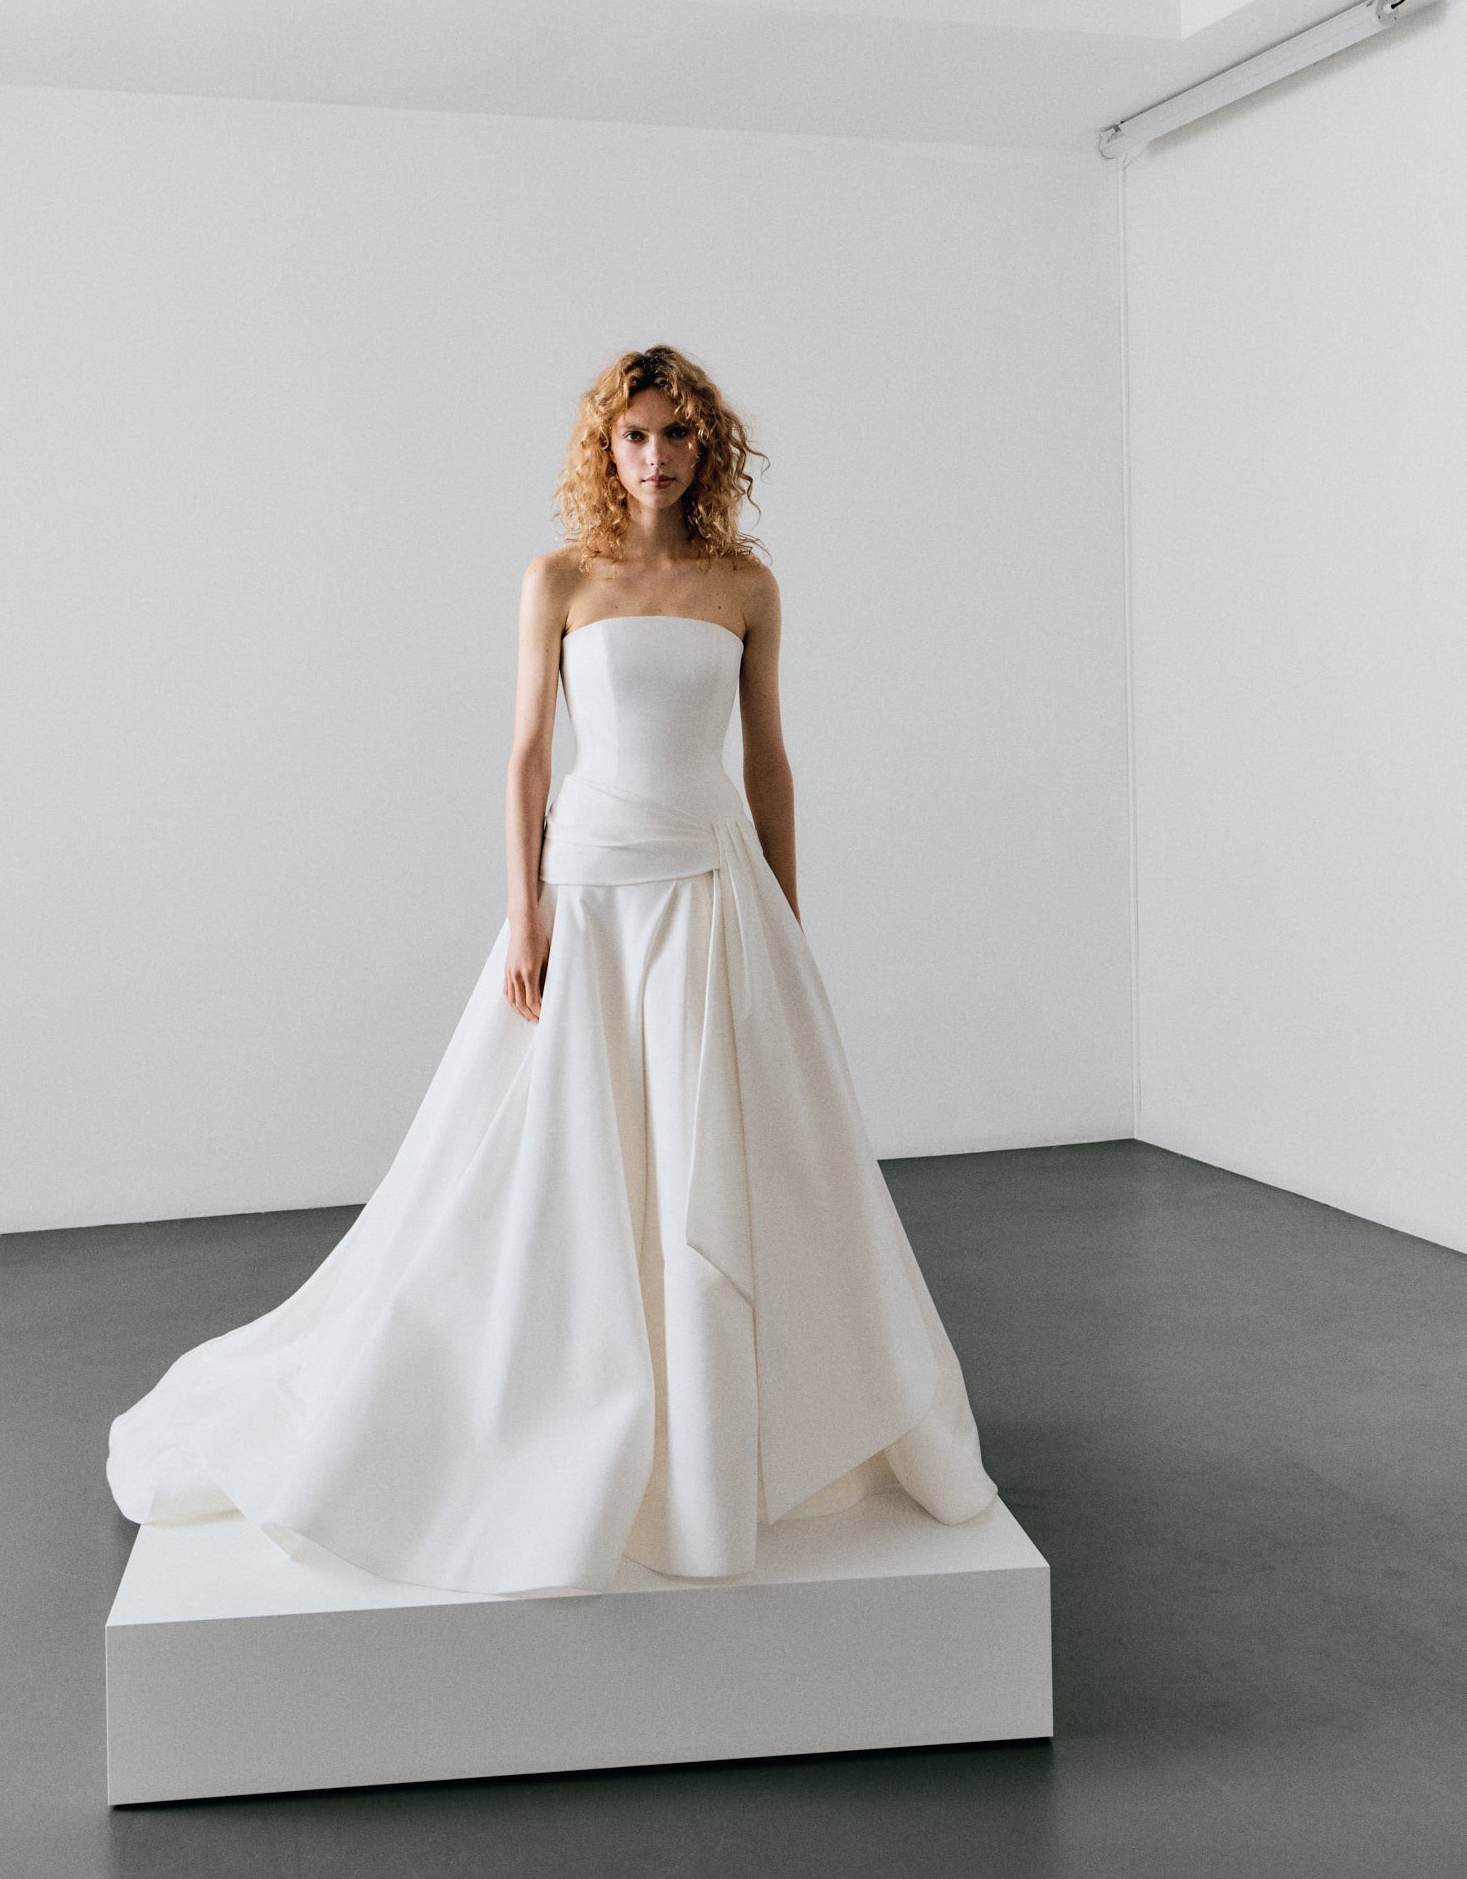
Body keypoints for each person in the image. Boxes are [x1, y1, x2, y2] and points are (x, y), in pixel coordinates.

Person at [107, 345, 996, 1596]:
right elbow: (527, 758)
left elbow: (770, 765)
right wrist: (522, 913)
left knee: (731, 1156)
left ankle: (724, 1435)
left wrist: (785, 923)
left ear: (705, 447)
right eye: (633, 435)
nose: (655, 456)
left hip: (710, 891)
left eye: (675, 434)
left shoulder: (745, 585)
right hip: (587, 890)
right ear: (605, 447)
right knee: (555, 1159)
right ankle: (555, 1406)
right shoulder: (560, 579)